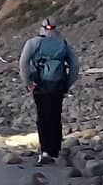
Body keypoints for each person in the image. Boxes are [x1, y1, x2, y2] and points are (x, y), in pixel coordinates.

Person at [18, 17, 79, 166]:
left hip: (40, 86)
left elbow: (23, 64)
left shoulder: (33, 43)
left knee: (43, 118)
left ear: (42, 28)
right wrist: (67, 85)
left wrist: (28, 83)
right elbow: (75, 66)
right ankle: (54, 151)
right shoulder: (63, 44)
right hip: (58, 86)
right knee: (55, 116)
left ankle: (45, 151)